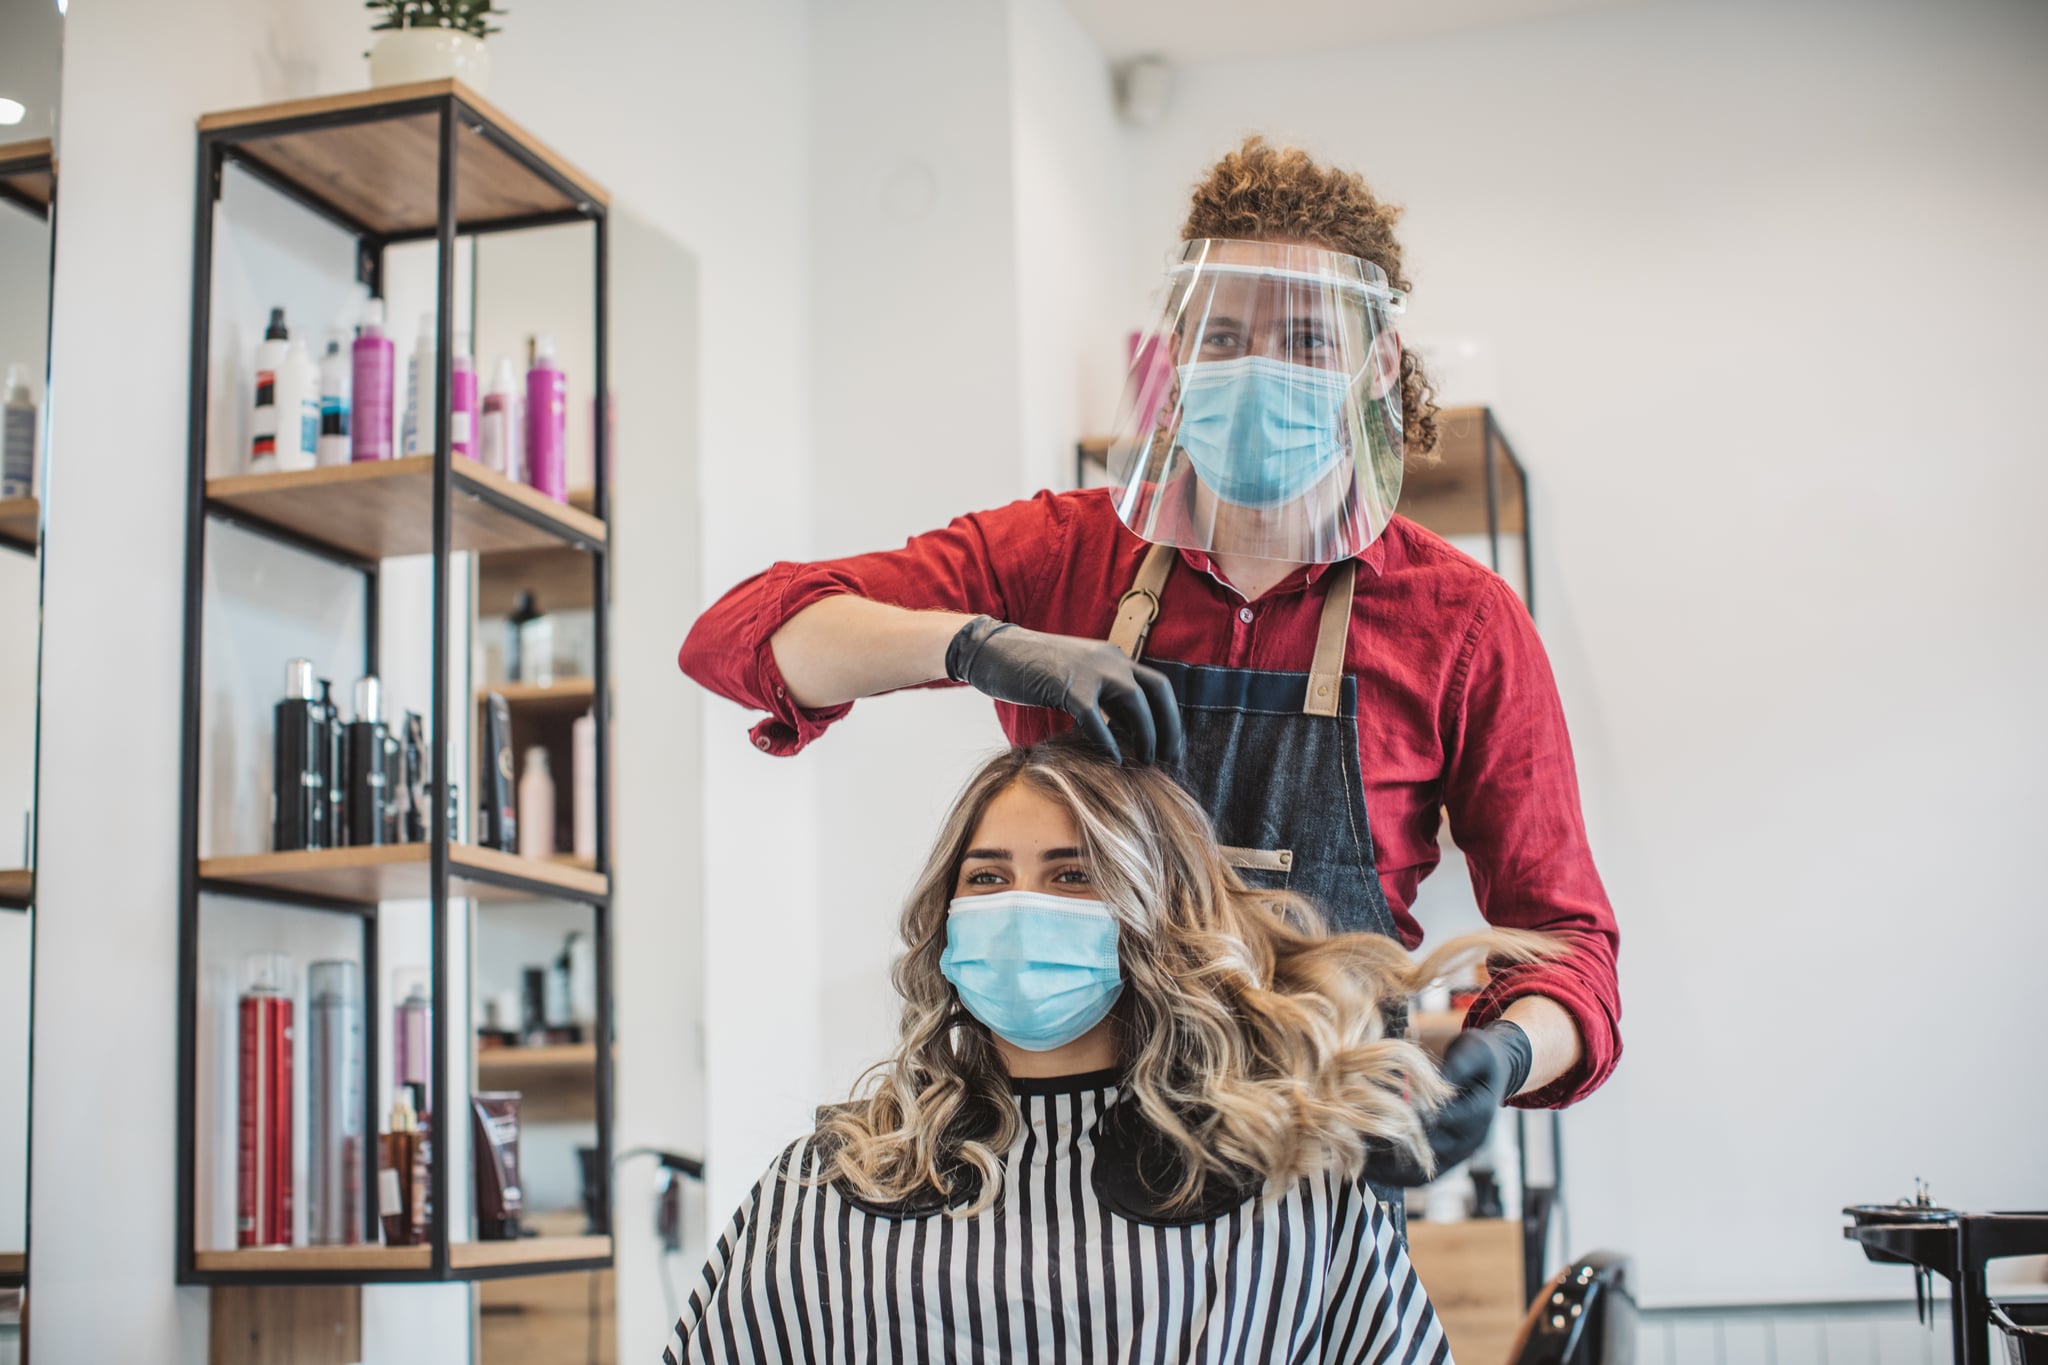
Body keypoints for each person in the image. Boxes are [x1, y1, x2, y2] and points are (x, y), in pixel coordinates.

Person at [680, 136, 1620, 1201]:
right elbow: (738, 635)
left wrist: (1498, 1058)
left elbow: (1565, 945)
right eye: (1222, 336)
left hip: (1313, 1161)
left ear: (1377, 368)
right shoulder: (1059, 554)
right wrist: (976, 644)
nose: (1257, 367)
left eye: (1305, 339)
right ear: (1174, 364)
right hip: (1048, 1155)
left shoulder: (1461, 621)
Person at [663, 739, 1550, 1364]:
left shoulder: (1292, 1182)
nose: (1020, 902)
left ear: (1153, 913)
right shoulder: (835, 1178)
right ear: (944, 916)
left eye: (1071, 872)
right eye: (986, 876)